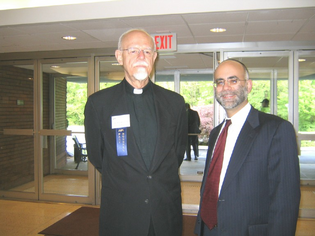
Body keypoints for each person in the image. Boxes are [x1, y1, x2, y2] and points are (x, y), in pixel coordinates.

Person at [84, 29, 187, 236]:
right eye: (133, 51)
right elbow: (98, 156)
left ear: (154, 58)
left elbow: (177, 154)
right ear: (119, 56)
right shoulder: (99, 104)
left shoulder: (175, 103)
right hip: (123, 211)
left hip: (165, 209)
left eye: (147, 52)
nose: (141, 57)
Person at [195, 59, 300, 236]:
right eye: (220, 82)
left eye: (233, 80)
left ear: (249, 86)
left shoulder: (276, 129)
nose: (226, 87)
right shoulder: (216, 133)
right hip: (209, 230)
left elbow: (285, 202)